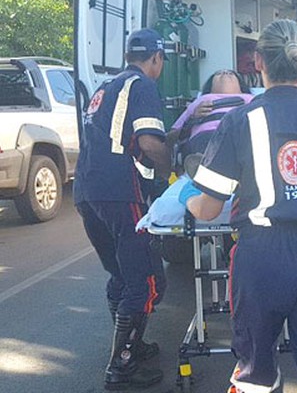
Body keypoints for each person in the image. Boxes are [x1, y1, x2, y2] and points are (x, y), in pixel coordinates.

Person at [179, 19, 297, 393]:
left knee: (256, 371)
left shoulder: (239, 121)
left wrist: (190, 201)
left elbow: (209, 208)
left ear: (258, 61)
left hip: (261, 258)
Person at [73, 28, 172, 391]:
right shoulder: (143, 85)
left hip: (86, 191)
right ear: (156, 58)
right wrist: (170, 171)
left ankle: (131, 346)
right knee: (146, 280)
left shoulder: (105, 87)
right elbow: (149, 141)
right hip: (119, 192)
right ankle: (121, 365)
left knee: (120, 274)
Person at [170, 69, 253, 157]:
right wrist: (192, 119)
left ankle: (203, 162)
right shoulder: (200, 101)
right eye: (219, 74)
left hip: (239, 136)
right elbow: (171, 137)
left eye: (231, 73)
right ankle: (199, 161)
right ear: (210, 87)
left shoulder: (251, 100)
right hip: (206, 136)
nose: (225, 73)